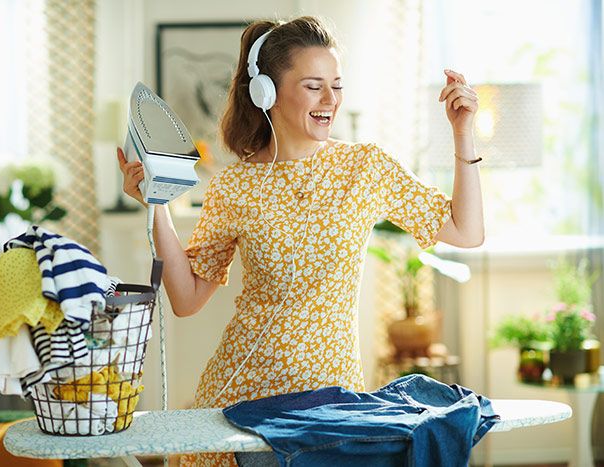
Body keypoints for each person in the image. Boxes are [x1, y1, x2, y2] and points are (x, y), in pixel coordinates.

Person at [117, 15, 483, 467]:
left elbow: (466, 232)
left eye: (337, 84)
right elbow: (187, 298)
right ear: (266, 92)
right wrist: (157, 205)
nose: (330, 99)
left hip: (330, 401)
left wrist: (462, 132)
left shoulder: (365, 168)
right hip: (241, 396)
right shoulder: (236, 185)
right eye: (314, 85)